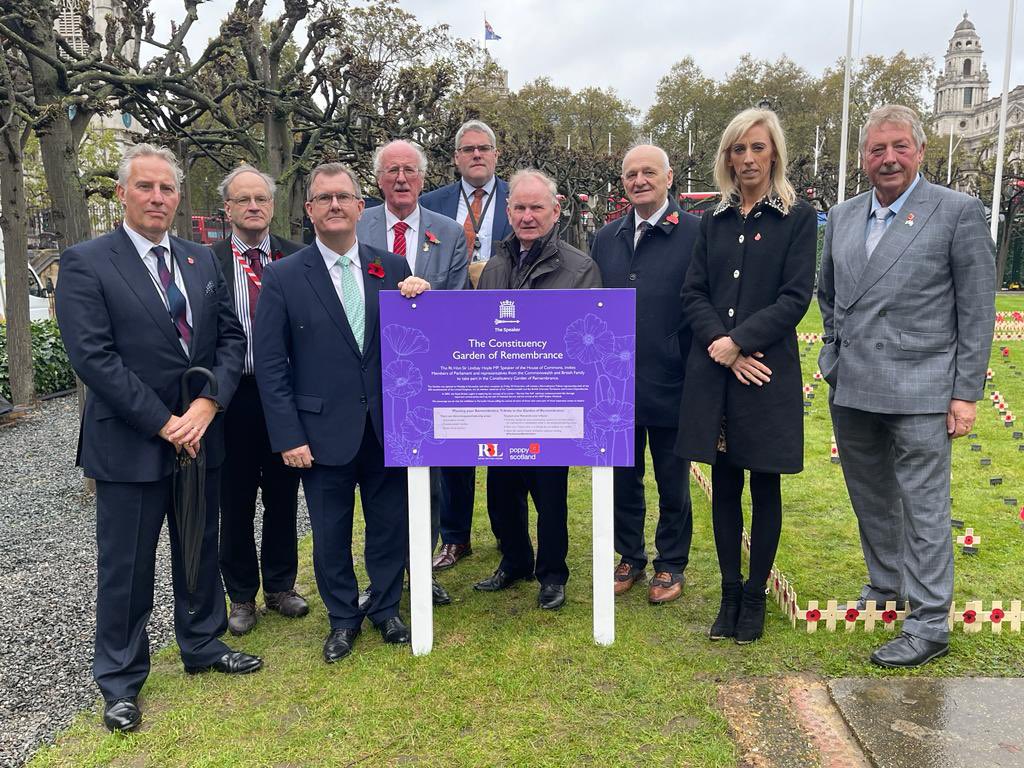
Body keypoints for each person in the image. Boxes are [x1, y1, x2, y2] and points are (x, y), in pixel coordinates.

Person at [55, 144, 261, 733]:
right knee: (127, 566)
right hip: (131, 441)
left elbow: (228, 339)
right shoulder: (87, 261)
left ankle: (202, 643)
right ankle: (119, 681)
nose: (157, 198)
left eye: (167, 189)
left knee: (199, 547)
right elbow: (93, 358)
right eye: (144, 187)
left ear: (178, 196)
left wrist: (205, 404)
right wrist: (164, 422)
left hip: (200, 437)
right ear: (123, 193)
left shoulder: (201, 260)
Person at [818, 104, 995, 668]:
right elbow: (829, 294)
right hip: (853, 387)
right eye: (876, 149)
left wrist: (965, 393)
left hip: (922, 389)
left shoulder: (956, 212)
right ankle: (886, 584)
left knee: (922, 508)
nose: (888, 158)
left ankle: (927, 622)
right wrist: (833, 352)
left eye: (899, 146)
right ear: (864, 158)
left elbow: (977, 311)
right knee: (870, 496)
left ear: (920, 151)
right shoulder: (843, 216)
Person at [253, 163, 430, 663]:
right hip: (319, 430)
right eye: (324, 198)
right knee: (331, 531)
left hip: (386, 425)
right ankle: (343, 618)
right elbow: (270, 363)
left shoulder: (391, 269)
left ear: (360, 206)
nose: (335, 205)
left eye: (344, 197)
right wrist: (288, 435)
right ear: (309, 210)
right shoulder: (284, 276)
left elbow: (414, 343)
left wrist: (424, 301)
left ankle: (386, 608)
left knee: (388, 523)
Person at [676, 109, 816, 644]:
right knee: (725, 484)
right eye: (739, 149)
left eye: (758, 148)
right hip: (717, 370)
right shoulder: (712, 220)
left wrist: (741, 342)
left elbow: (795, 296)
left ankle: (755, 596)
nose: (749, 158)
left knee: (764, 483)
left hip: (765, 374)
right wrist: (723, 347)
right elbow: (694, 291)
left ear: (774, 153)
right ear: (727, 158)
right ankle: (730, 590)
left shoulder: (797, 217)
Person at [473, 169, 602, 610]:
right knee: (500, 489)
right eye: (520, 208)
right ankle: (514, 561)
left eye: (536, 208)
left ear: (556, 210)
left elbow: (588, 335)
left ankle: (552, 574)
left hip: (551, 401)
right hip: (500, 401)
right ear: (508, 211)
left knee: (550, 494)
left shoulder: (579, 268)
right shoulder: (495, 264)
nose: (528, 217)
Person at [357, 138, 469, 607]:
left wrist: (429, 299)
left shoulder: (450, 232)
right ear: (379, 179)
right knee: (378, 484)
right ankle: (382, 574)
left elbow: (459, 304)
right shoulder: (355, 224)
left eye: (409, 171)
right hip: (366, 375)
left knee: (428, 479)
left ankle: (421, 570)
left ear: (423, 178)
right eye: (391, 171)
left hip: (427, 376)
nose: (401, 179)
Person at [590, 144, 699, 604]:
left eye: (649, 172)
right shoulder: (604, 237)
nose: (639, 180)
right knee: (622, 475)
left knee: (673, 478)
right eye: (631, 173)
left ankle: (671, 564)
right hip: (615, 383)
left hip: (673, 378)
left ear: (669, 177)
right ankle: (629, 555)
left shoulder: (696, 232)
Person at [212, 165, 308, 636]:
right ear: (226, 208)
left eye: (261, 199)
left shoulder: (298, 258)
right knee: (235, 499)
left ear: (272, 206)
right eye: (243, 199)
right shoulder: (205, 262)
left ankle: (280, 586)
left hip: (284, 395)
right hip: (231, 399)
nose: (253, 207)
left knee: (283, 495)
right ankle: (242, 596)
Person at [420, 119, 515, 572]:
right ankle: (455, 537)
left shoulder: (520, 198)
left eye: (484, 148)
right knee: (454, 438)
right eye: (468, 149)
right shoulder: (431, 204)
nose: (477, 155)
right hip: (449, 331)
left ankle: (505, 530)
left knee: (504, 436)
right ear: (455, 158)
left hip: (505, 334)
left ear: (497, 155)